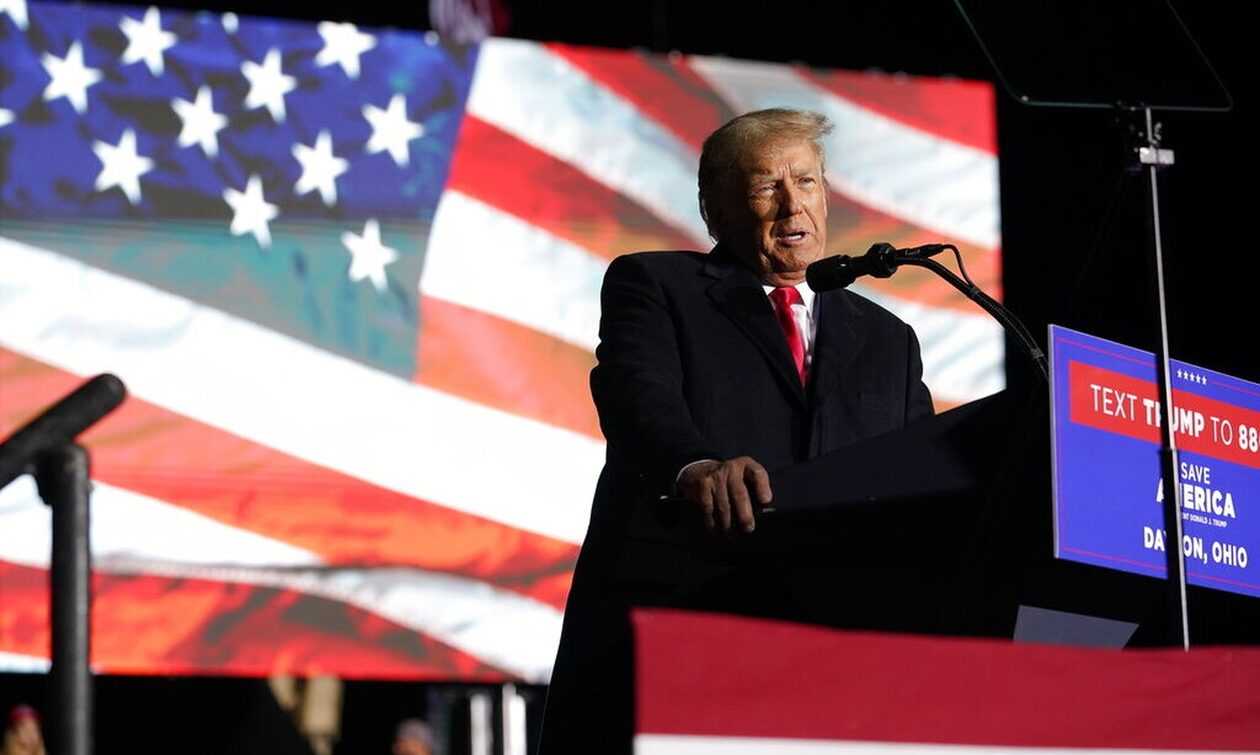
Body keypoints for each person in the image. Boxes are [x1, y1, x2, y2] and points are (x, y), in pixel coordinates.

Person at [538, 108, 934, 754]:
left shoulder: (890, 340)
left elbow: (921, 472)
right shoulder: (657, 286)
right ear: (713, 209)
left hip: (835, 661)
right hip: (682, 631)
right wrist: (694, 466)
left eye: (806, 182)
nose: (792, 205)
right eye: (765, 186)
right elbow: (636, 397)